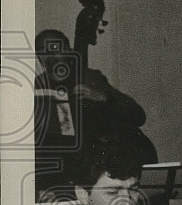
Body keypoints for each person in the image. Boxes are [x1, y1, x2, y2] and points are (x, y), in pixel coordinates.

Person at [34, 29, 156, 192]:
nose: (50, 57)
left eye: (56, 49)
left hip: (100, 164)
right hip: (65, 166)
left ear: (69, 51)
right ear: (39, 59)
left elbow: (138, 115)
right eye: (44, 52)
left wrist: (104, 97)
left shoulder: (90, 77)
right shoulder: (39, 84)